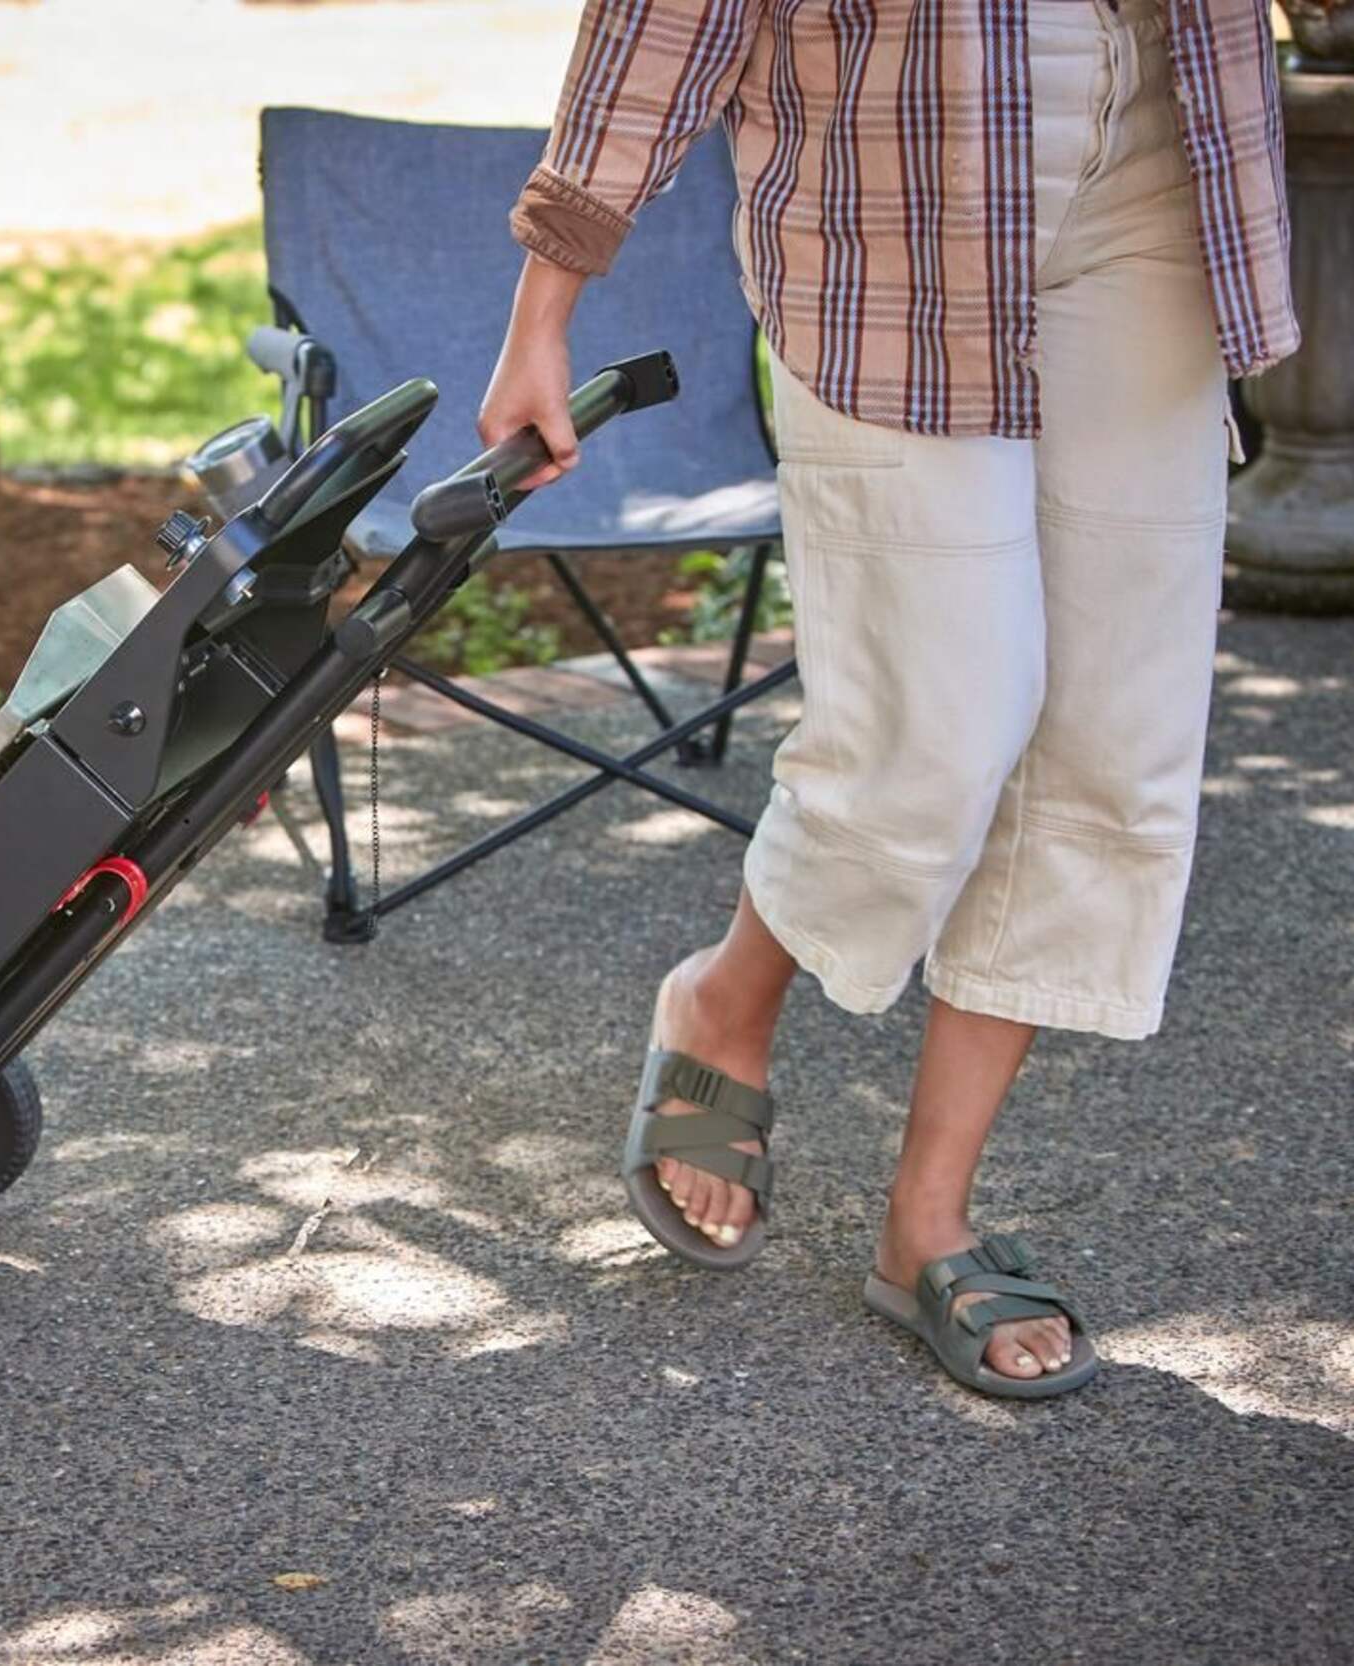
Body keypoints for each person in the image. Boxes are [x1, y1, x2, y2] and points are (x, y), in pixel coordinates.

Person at [484, 0, 1297, 1397]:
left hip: (1160, 166)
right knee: (943, 722)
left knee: (1112, 742)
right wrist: (545, 306)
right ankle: (725, 1001)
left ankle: (931, 1215)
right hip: (891, 223)